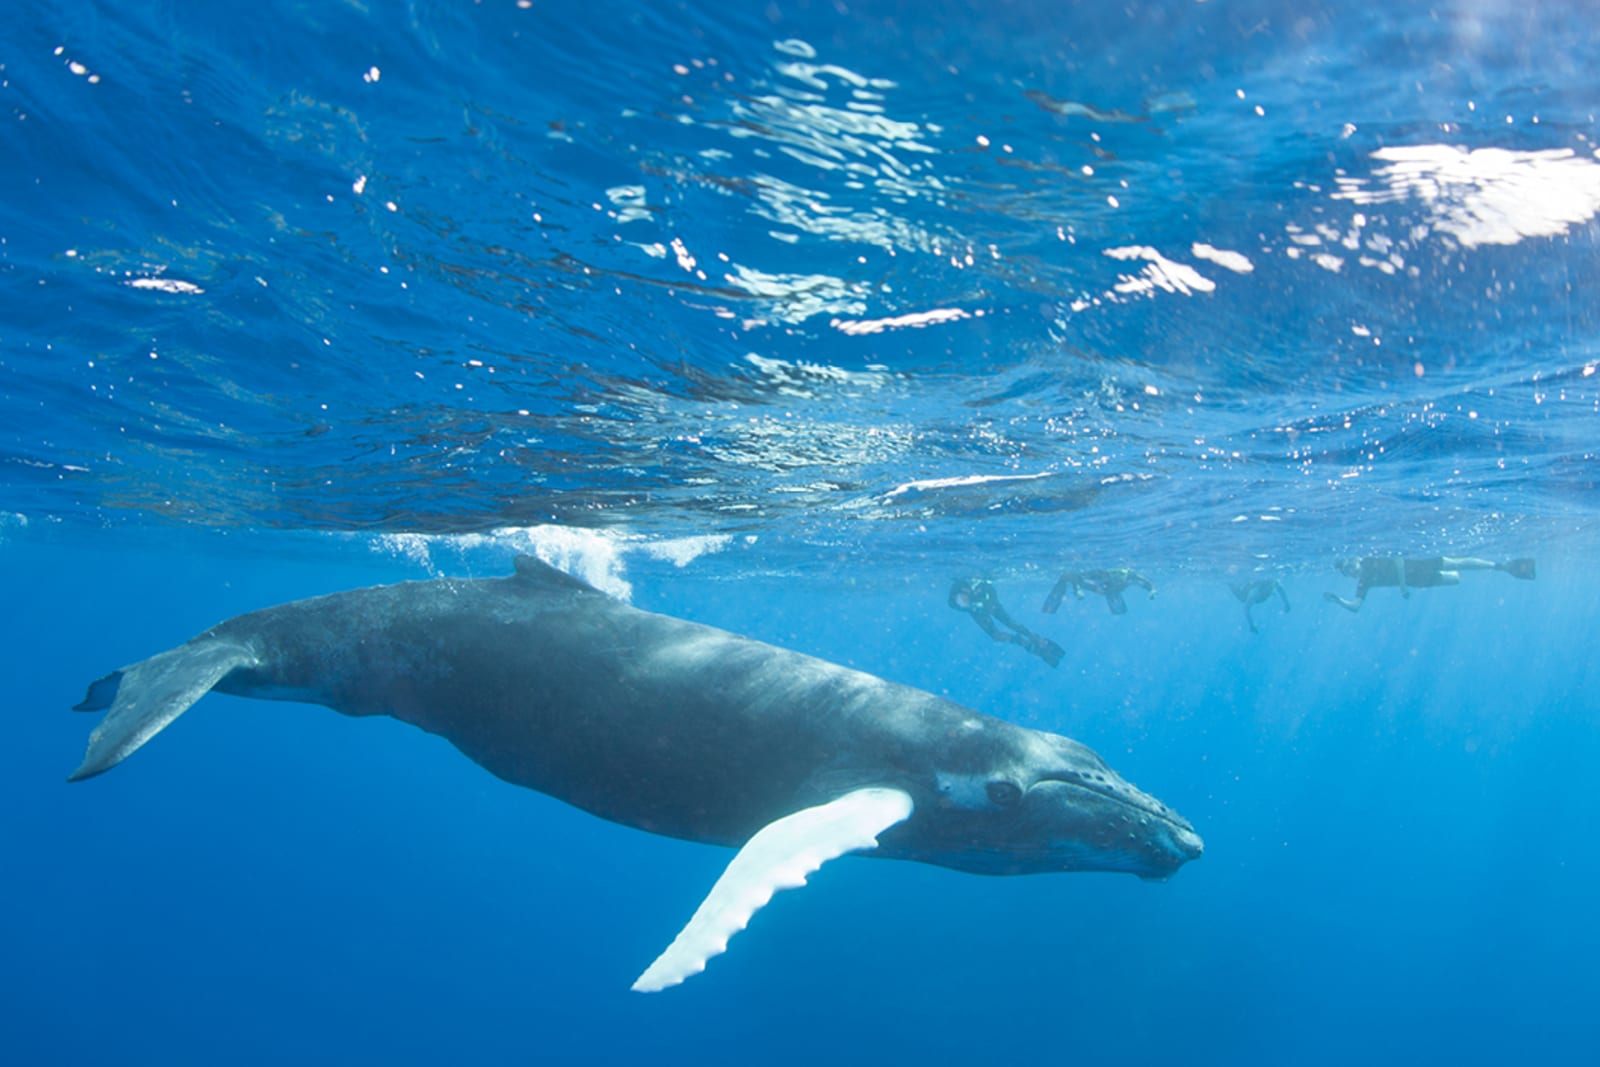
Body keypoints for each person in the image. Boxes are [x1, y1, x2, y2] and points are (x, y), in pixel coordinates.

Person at [1323, 555, 1536, 612]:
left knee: (1458, 563)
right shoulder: (1364, 581)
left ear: (1356, 560)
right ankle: (1501, 571)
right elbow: (1356, 606)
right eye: (1347, 572)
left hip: (1419, 566)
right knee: (1456, 578)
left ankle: (1502, 567)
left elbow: (1398, 561)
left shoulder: (1369, 562)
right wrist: (1338, 600)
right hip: (1418, 580)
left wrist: (1402, 586)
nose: (1352, 572)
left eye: (1350, 567)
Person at [949, 577, 1064, 667]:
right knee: (998, 633)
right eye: (964, 601)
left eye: (965, 599)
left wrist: (988, 605)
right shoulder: (961, 601)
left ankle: (1034, 640)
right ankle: (1029, 642)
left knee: (1009, 625)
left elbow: (989, 590)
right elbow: (958, 605)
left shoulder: (979, 588)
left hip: (989, 605)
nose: (967, 601)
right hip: (979, 609)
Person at [1041, 568, 1156, 616]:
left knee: (1119, 609)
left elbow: (1146, 582)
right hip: (1098, 587)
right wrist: (1077, 589)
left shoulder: (1130, 576)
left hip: (1104, 589)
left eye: (1120, 574)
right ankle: (1050, 607)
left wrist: (1152, 590)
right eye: (1113, 574)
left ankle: (1050, 608)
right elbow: (1074, 576)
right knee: (1066, 577)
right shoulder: (1098, 575)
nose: (1116, 577)